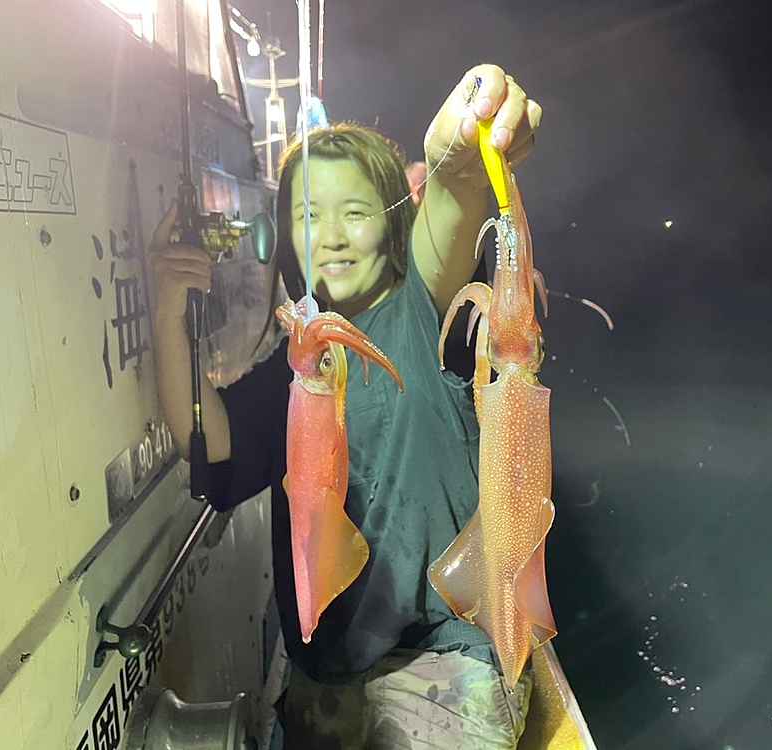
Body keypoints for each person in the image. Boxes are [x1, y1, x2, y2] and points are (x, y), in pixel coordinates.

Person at [150, 64, 543, 749]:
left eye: (355, 214)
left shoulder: (424, 306)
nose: (329, 237)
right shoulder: (304, 362)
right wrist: (164, 311)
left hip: (442, 667)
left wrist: (458, 152)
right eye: (308, 216)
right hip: (329, 678)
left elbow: (452, 202)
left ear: (393, 222)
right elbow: (208, 442)